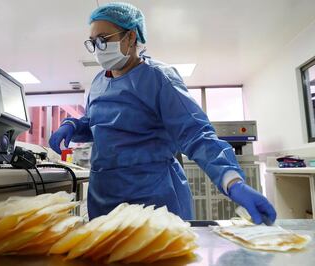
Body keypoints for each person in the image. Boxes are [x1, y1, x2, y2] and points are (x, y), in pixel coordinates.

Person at [49, 2, 276, 224]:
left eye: (103, 40)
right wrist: (72, 126)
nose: (97, 48)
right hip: (105, 198)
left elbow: (195, 132)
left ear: (130, 37)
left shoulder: (158, 78)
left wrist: (231, 180)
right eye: (92, 42)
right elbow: (98, 124)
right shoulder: (99, 82)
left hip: (153, 200)